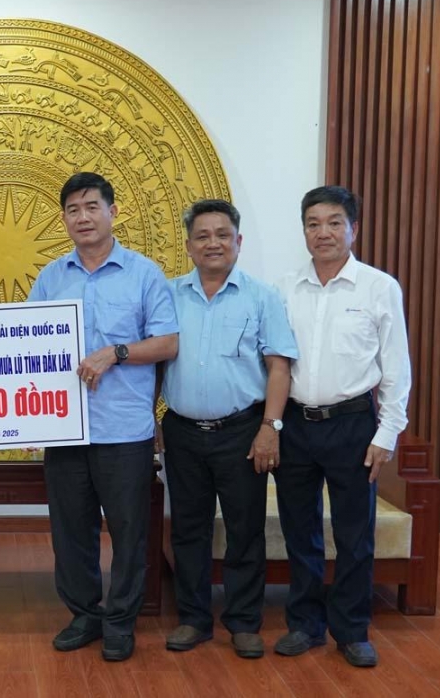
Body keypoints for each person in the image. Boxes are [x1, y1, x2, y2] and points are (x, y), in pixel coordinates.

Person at [26, 172, 179, 662]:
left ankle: (120, 621)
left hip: (123, 428)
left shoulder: (144, 274)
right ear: (64, 219)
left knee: (129, 530)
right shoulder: (51, 277)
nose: (83, 217)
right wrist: (26, 415)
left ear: (113, 212)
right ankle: (84, 615)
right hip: (64, 428)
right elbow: (25, 345)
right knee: (71, 531)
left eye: (92, 206)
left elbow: (167, 342)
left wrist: (115, 352)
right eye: (73, 210)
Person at [273, 185, 412, 668]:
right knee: (300, 530)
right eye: (313, 224)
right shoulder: (285, 288)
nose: (323, 232)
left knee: (355, 534)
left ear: (353, 228)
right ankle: (304, 624)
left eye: (334, 222)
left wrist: (387, 433)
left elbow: (396, 368)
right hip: (295, 423)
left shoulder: (379, 287)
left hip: (353, 424)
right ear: (304, 231)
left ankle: (352, 630)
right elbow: (274, 363)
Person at [159, 199, 297, 659]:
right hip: (181, 431)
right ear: (188, 246)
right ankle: (194, 619)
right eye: (202, 236)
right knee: (188, 530)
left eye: (222, 235)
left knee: (244, 530)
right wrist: (152, 421)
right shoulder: (168, 295)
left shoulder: (262, 297)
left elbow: (279, 368)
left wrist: (270, 427)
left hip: (242, 431)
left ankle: (243, 622)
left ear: (238, 241)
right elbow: (156, 362)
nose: (212, 243)